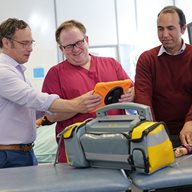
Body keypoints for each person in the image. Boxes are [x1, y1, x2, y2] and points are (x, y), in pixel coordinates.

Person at [0, 18, 101, 168]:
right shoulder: (3, 71)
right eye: (24, 43)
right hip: (8, 155)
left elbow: (36, 110)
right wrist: (77, 104)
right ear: (6, 42)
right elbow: (32, 98)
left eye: (31, 42)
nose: (30, 48)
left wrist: (59, 110)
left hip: (24, 152)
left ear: (86, 40)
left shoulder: (18, 72)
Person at [42, 19, 134, 163]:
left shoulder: (111, 64)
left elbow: (132, 90)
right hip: (76, 151)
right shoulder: (55, 74)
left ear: (87, 40)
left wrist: (131, 95)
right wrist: (79, 107)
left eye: (79, 43)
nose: (76, 49)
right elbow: (51, 116)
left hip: (117, 145)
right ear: (61, 49)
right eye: (69, 46)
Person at [135, 5, 192, 149]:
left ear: (183, 29)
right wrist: (153, 131)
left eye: (170, 28)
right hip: (159, 132)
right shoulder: (147, 59)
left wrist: (191, 121)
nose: (165, 34)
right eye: (160, 29)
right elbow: (143, 99)